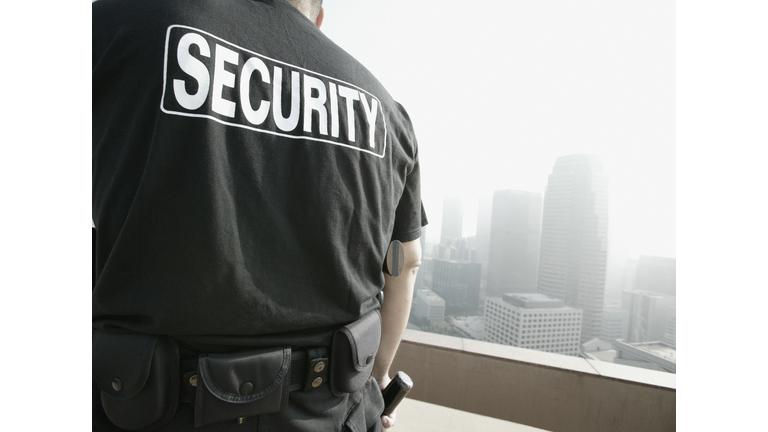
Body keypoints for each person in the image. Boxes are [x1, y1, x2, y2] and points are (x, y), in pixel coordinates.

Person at [92, 0, 427, 431]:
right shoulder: (385, 109)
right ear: (319, 17)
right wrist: (378, 377)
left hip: (143, 408)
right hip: (331, 410)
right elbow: (406, 261)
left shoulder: (122, 23)